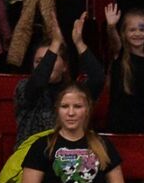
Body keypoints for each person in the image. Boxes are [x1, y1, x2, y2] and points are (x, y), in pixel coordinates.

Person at [20, 84, 126, 183]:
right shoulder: (42, 145)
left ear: (87, 109)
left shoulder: (103, 144)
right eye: (65, 106)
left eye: (77, 106)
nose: (71, 113)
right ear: (57, 110)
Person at [12, 11, 103, 148]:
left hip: (69, 156)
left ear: (65, 66)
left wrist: (79, 43)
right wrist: (55, 43)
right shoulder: (25, 87)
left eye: (51, 59)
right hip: (30, 155)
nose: (45, 65)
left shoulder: (74, 91)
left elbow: (98, 78)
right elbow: (38, 83)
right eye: (39, 62)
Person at [102, 2, 144, 134]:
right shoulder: (120, 53)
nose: (137, 33)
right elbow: (114, 40)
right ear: (124, 32)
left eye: (142, 29)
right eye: (132, 30)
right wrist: (111, 26)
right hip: (118, 124)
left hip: (142, 124)